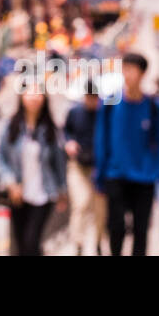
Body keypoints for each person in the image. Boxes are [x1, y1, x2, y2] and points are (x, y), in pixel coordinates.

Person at [93, 52, 159, 256]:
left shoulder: (154, 107)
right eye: (124, 69)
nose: (127, 74)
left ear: (143, 73)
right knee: (116, 227)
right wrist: (100, 174)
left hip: (144, 177)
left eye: (132, 69)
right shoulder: (110, 102)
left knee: (141, 230)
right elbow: (101, 138)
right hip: (115, 174)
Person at [0, 85, 68, 256]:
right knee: (20, 242)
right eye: (30, 93)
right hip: (18, 194)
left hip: (44, 193)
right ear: (22, 97)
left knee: (32, 240)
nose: (34, 97)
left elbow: (59, 162)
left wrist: (62, 190)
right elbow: (2, 158)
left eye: (39, 94)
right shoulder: (11, 127)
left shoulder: (51, 129)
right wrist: (11, 182)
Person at [63, 83, 107, 255]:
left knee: (100, 208)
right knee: (80, 204)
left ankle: (98, 241)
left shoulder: (103, 113)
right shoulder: (75, 112)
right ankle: (78, 243)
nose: (91, 101)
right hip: (78, 165)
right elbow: (65, 131)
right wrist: (69, 142)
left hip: (99, 166)